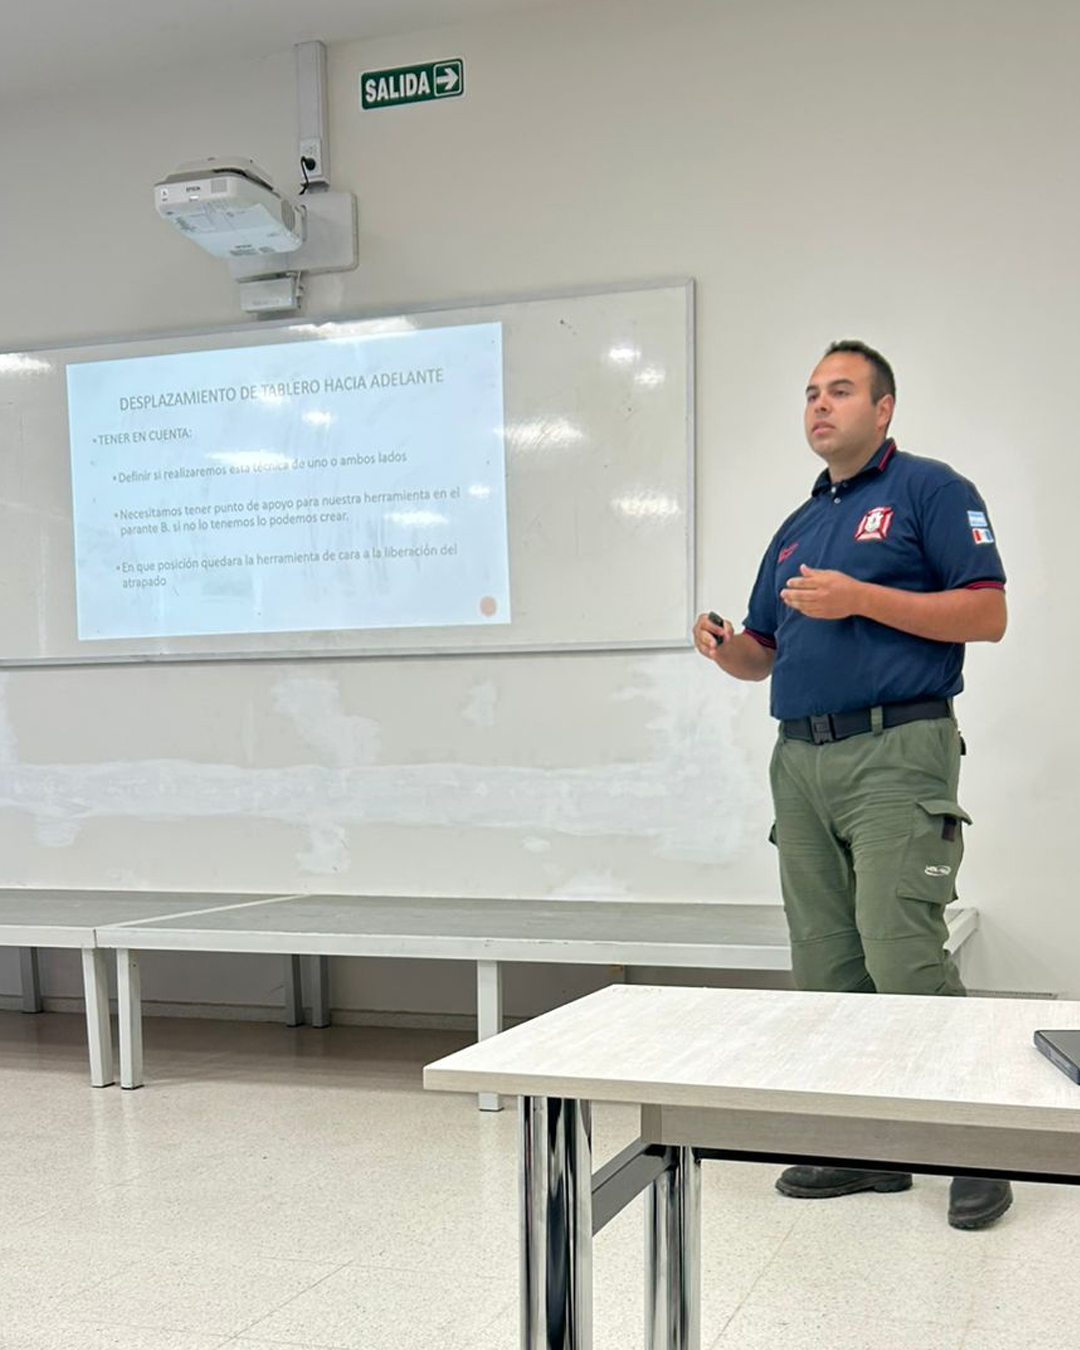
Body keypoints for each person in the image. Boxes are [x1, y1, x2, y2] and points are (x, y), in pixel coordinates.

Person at [694, 340, 1011, 1230]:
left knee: (901, 949)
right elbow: (764, 654)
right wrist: (727, 649)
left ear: (884, 408)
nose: (819, 406)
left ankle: (980, 1148)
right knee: (827, 962)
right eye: (809, 394)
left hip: (896, 749)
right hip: (800, 760)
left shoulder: (931, 490)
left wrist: (863, 597)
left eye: (839, 391)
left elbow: (987, 612)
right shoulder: (796, 527)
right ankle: (866, 1148)